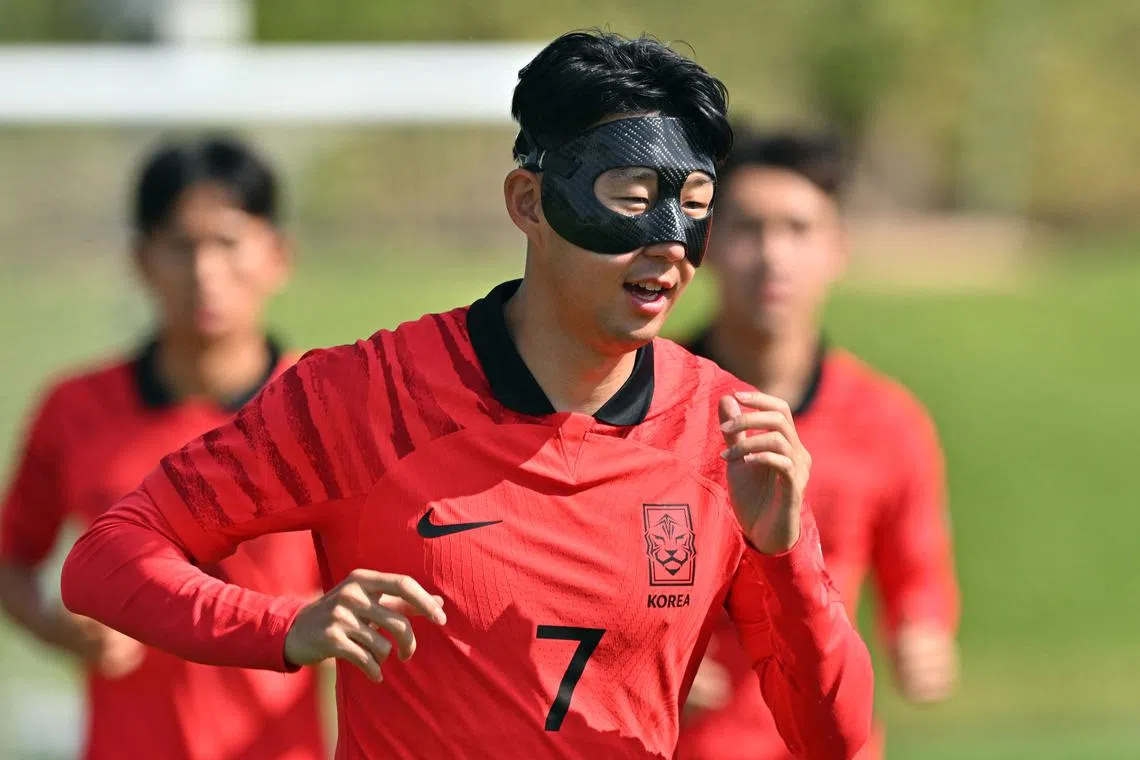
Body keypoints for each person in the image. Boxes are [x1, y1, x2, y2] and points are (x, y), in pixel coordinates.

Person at [59, 32, 874, 760]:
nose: (667, 239)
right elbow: (106, 560)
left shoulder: (724, 436)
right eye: (631, 196)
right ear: (529, 204)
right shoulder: (363, 396)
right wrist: (284, 627)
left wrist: (786, 554)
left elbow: (832, 740)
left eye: (693, 205)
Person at [0, 137, 327, 760]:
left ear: (276, 256)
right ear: (142, 260)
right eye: (181, 245)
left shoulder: (323, 410)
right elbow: (12, 560)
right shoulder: (75, 410)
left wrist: (303, 622)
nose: (204, 271)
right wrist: (57, 627)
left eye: (228, 243)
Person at [674, 128, 960, 760]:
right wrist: (635, 656)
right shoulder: (645, 409)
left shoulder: (888, 421)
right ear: (708, 246)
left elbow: (917, 570)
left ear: (838, 249)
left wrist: (923, 632)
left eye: (799, 230)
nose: (773, 255)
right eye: (749, 229)